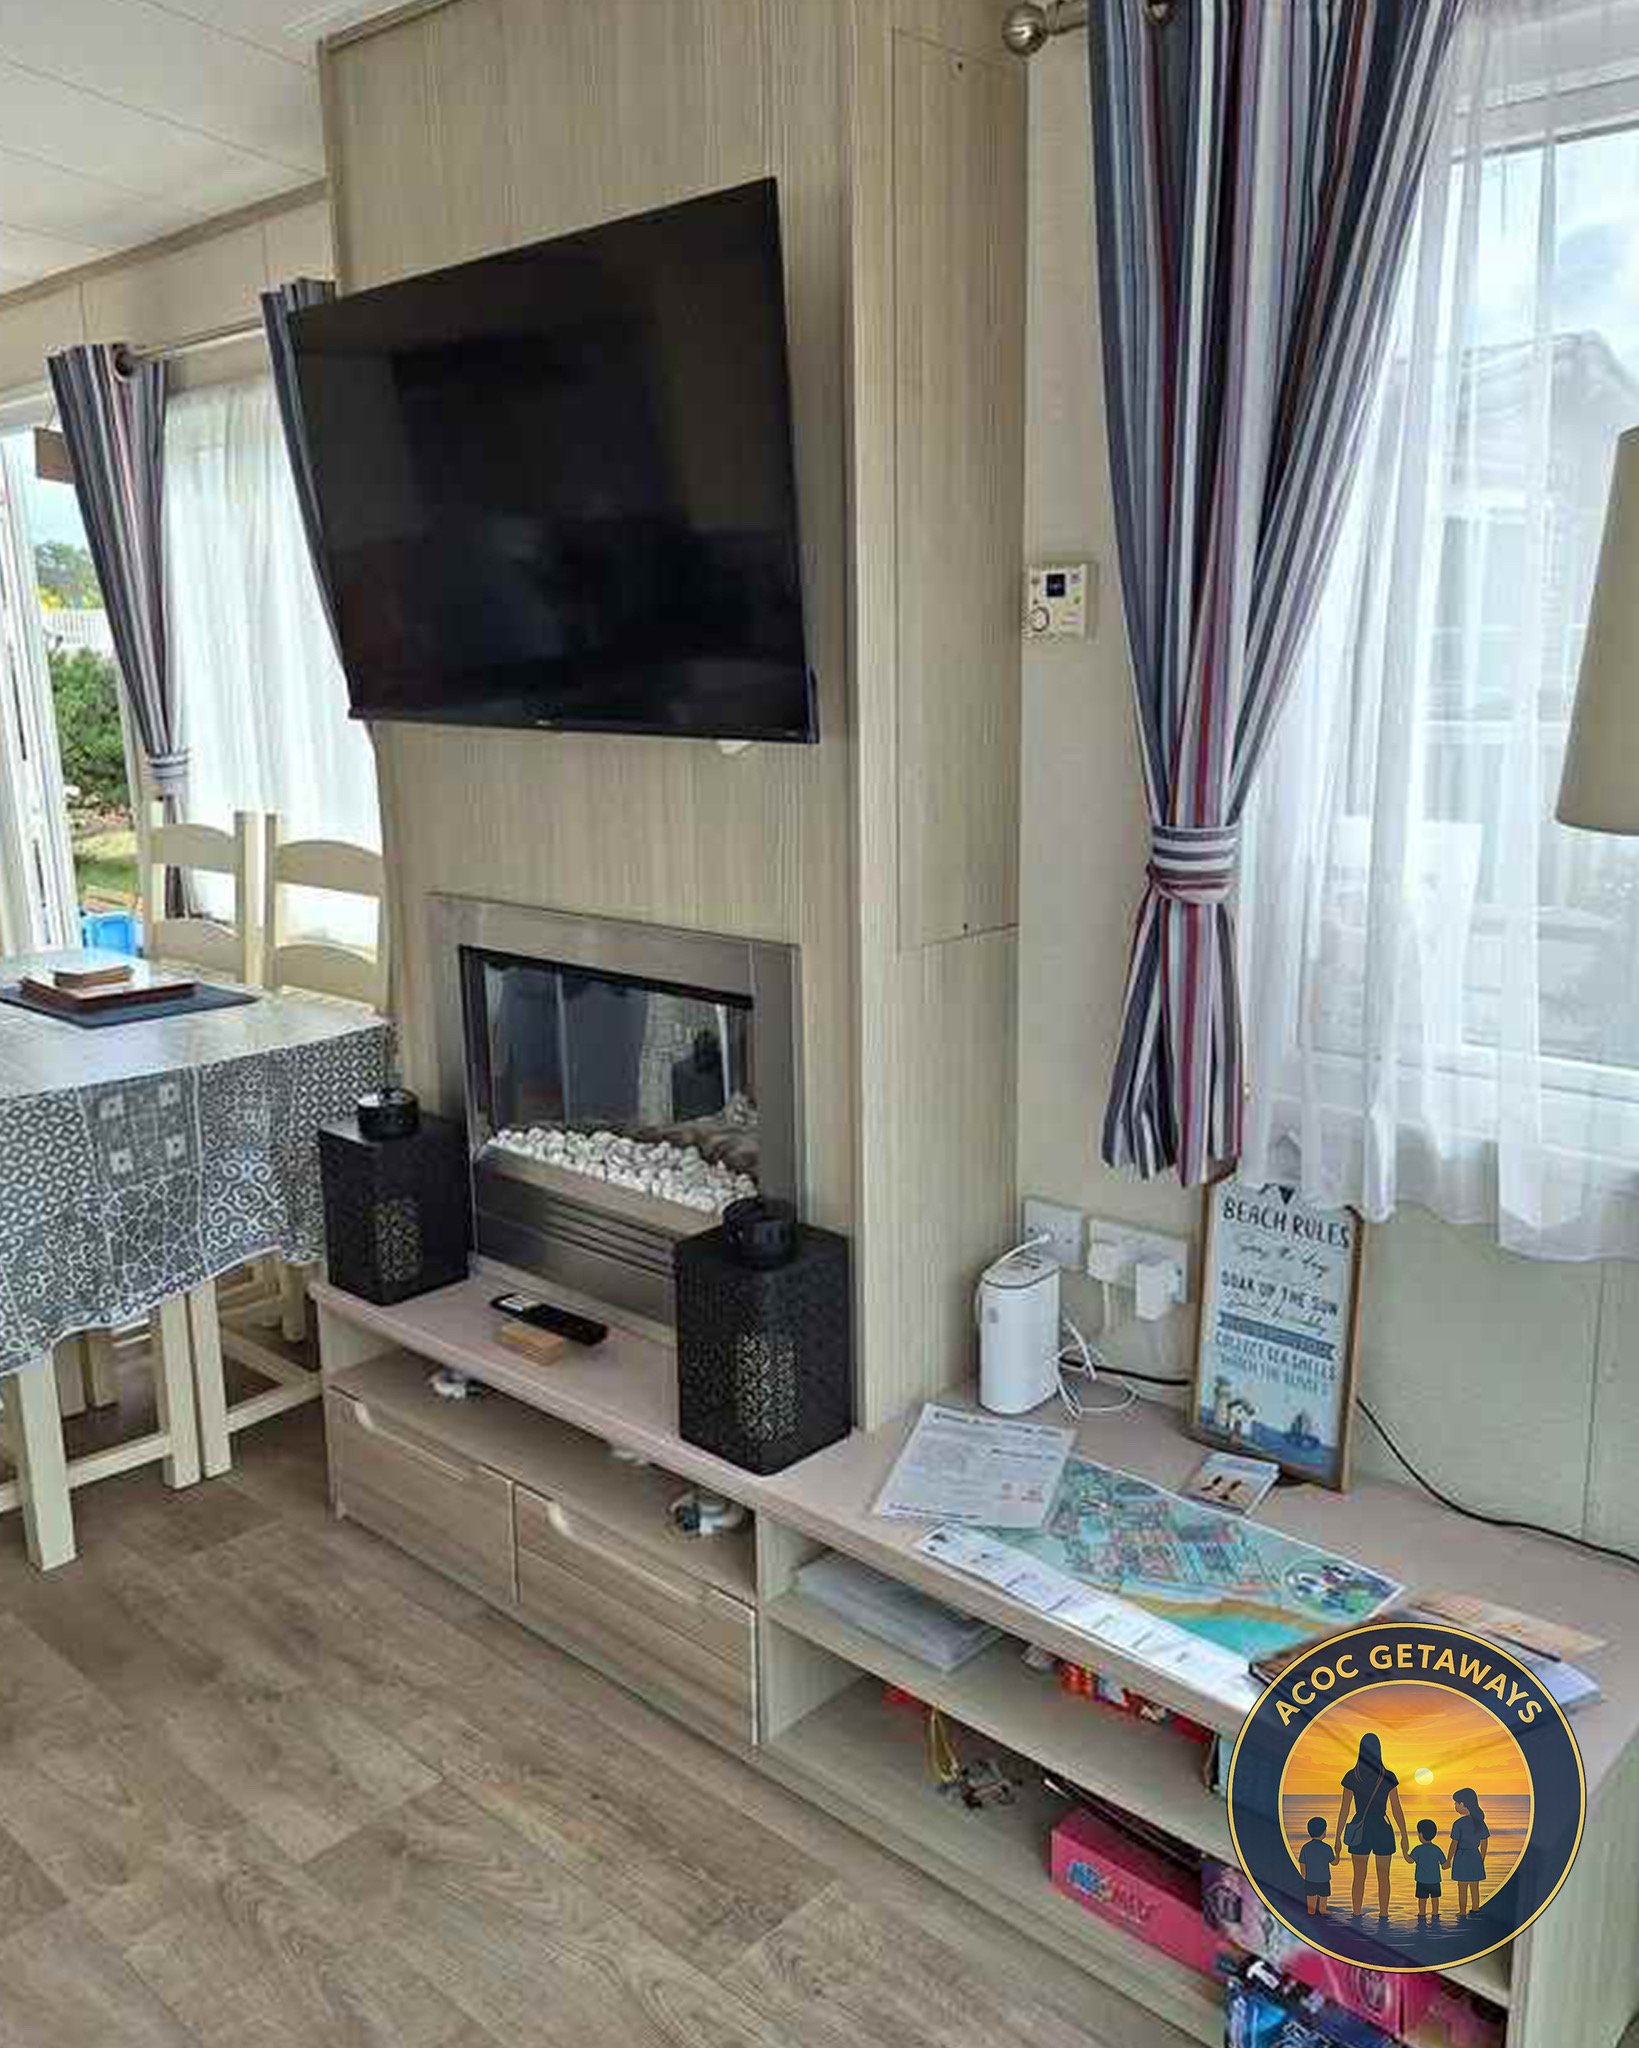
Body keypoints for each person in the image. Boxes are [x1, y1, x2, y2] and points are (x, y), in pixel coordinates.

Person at [1334, 1730, 1410, 1918]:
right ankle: (1384, 1916)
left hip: (1360, 1829)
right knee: (1383, 1877)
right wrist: (1404, 1836)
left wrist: (1337, 1836)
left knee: (1358, 1877)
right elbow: (1396, 1809)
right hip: (1383, 1829)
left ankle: (1357, 1915)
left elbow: (1344, 1809)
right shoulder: (1388, 1776)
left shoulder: (1352, 1776)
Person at [1450, 1788, 1491, 1918]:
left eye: (1456, 1803)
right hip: (1475, 1856)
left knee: (1462, 1886)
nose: (1455, 1806)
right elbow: (1484, 1842)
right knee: (1474, 1885)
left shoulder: (1458, 1823)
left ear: (1462, 1804)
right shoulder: (1480, 1822)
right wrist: (1482, 1858)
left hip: (1461, 1856)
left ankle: (1462, 1911)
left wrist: (1448, 1860)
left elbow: (1454, 1844)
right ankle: (1475, 1908)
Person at [1406, 1817, 1447, 1924]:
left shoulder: (1418, 1849)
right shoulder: (1437, 1849)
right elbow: (1444, 1863)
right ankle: (1435, 1915)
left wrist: (1404, 1852)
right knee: (1435, 1900)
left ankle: (1422, 1915)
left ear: (1420, 1834)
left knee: (1422, 1901)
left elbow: (1410, 1861)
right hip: (1435, 1881)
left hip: (1422, 1881)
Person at [1298, 1816, 1335, 1915]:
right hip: (1324, 1880)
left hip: (1310, 1880)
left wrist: (1305, 1877)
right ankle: (1323, 1911)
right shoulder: (1327, 1848)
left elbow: (1302, 1864)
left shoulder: (1305, 1847)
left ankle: (1311, 1914)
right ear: (1324, 1832)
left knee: (1311, 1907)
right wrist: (1338, 1853)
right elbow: (1334, 1862)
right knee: (1323, 1903)